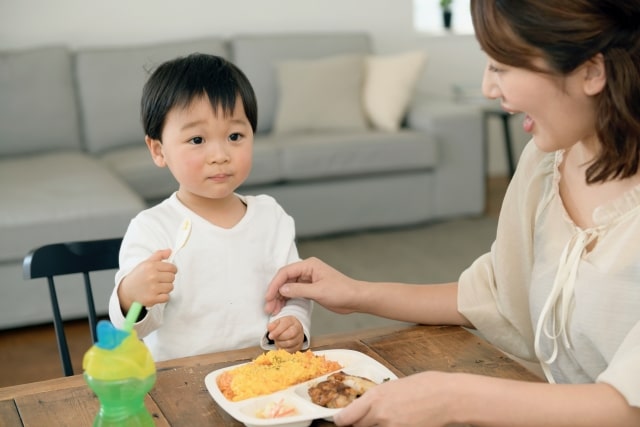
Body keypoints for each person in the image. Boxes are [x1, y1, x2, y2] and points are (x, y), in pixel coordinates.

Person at [265, 1, 640, 425]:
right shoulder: (545, 164)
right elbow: (493, 296)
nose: (487, 87)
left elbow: (627, 407)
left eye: (502, 66)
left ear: (592, 71)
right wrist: (355, 294)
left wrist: (455, 397)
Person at [109, 53, 310, 362]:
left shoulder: (272, 217)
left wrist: (296, 322)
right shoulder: (152, 228)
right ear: (159, 150)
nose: (219, 154)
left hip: (261, 371)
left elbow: (294, 294)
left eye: (234, 136)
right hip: (181, 382)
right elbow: (134, 329)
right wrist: (130, 295)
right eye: (197, 139)